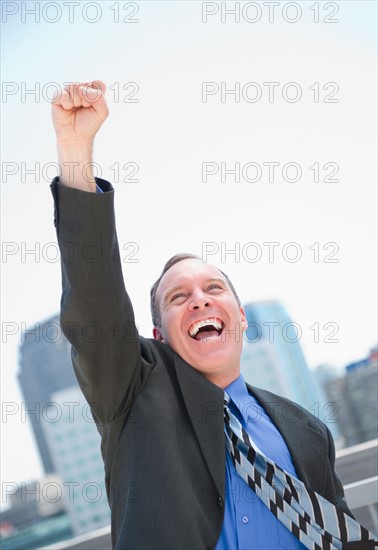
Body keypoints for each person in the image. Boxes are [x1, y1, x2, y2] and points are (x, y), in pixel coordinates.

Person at [50, 81, 376, 550]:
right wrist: (76, 150)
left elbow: (340, 532)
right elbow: (95, 299)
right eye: (179, 297)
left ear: (240, 317)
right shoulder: (133, 396)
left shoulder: (309, 429)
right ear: (159, 336)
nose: (200, 300)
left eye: (213, 288)